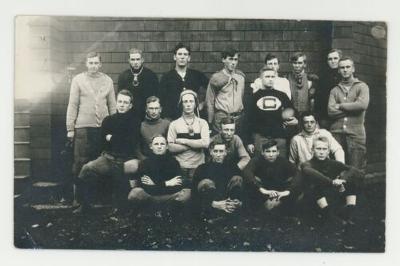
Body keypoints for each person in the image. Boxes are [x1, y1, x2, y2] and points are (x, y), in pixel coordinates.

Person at [73, 90, 141, 214]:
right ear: (116, 103)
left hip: (125, 159)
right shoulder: (108, 120)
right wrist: (117, 139)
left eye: (125, 102)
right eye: (120, 101)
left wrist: (112, 138)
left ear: (130, 105)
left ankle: (119, 207)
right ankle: (84, 204)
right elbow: (104, 142)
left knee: (118, 174)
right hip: (108, 157)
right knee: (87, 168)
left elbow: (129, 143)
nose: (122, 105)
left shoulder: (134, 122)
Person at [66, 51, 116, 182]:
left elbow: (112, 106)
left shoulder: (107, 81)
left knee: (100, 161)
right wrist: (70, 129)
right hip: (83, 128)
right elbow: (73, 105)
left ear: (100, 64)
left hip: (102, 129)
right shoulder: (78, 80)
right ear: (86, 64)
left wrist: (115, 127)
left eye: (96, 63)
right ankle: (79, 197)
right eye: (91, 63)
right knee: (80, 161)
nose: (93, 66)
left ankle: (97, 196)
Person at [300, 136, 362, 224]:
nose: (321, 152)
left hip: (329, 193)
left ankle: (350, 212)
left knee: (351, 184)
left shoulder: (332, 163)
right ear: (312, 150)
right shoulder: (307, 164)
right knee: (315, 187)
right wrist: (332, 182)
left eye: (324, 149)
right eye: (318, 149)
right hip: (312, 199)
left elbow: (354, 170)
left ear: (328, 151)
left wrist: (342, 181)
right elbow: (309, 171)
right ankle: (328, 216)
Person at [128, 135, 191, 212]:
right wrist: (167, 183)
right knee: (135, 193)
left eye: (162, 144)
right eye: (156, 144)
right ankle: (149, 213)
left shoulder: (173, 162)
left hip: (169, 197)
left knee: (187, 193)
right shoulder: (145, 163)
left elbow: (177, 185)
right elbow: (145, 186)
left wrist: (154, 184)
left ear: (167, 146)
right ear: (151, 146)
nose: (159, 147)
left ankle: (167, 214)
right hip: (151, 197)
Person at [245, 66, 298, 157]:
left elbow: (293, 111)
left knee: (280, 165)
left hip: (279, 137)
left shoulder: (282, 95)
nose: (270, 79)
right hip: (260, 137)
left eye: (272, 77)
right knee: (260, 165)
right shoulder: (253, 97)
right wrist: (248, 141)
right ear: (261, 78)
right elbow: (247, 120)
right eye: (267, 77)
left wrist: (295, 120)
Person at [328, 56, 369, 171]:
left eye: (348, 67)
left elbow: (362, 105)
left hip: (356, 134)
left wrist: (340, 106)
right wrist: (353, 109)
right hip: (336, 134)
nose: (345, 70)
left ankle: (355, 190)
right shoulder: (335, 90)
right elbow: (331, 111)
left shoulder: (362, 86)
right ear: (338, 70)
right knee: (337, 169)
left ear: (353, 69)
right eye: (342, 67)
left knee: (356, 169)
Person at [243, 140, 299, 214]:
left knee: (296, 182)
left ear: (278, 152)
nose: (271, 154)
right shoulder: (256, 160)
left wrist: (287, 191)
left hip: (279, 194)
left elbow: (298, 173)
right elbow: (247, 172)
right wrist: (262, 189)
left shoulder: (283, 161)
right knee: (250, 181)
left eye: (274, 151)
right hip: (262, 194)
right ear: (262, 152)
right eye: (268, 151)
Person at [193, 140, 244, 221]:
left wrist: (237, 202)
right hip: (211, 203)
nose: (218, 154)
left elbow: (241, 187)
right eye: (215, 151)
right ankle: (214, 215)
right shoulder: (202, 168)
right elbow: (194, 191)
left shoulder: (233, 167)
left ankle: (230, 212)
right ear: (211, 152)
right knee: (206, 183)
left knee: (237, 179)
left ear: (226, 152)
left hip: (229, 201)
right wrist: (214, 204)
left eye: (221, 151)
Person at [159, 43, 209, 120]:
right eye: (179, 54)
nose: (182, 57)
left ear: (189, 58)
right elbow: (161, 99)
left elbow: (211, 89)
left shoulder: (197, 75)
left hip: (193, 117)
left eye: (185, 54)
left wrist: (202, 103)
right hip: (173, 117)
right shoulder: (167, 77)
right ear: (175, 57)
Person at [167, 90, 210, 180]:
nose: (188, 104)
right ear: (181, 104)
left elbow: (205, 144)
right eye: (185, 101)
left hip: (198, 166)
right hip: (179, 166)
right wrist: (195, 145)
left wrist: (184, 141)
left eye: (191, 101)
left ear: (195, 104)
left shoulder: (202, 123)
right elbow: (170, 147)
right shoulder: (174, 124)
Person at [205, 48, 248, 137]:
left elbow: (241, 96)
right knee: (221, 145)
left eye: (235, 59)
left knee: (236, 143)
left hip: (238, 118)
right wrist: (210, 122)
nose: (233, 62)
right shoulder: (216, 78)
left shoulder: (241, 77)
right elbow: (209, 102)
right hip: (222, 117)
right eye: (230, 59)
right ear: (223, 60)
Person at [315, 49, 343, 128]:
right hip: (325, 116)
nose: (333, 61)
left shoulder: (345, 76)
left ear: (340, 59)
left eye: (335, 58)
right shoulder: (323, 76)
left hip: (341, 115)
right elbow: (318, 99)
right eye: (330, 59)